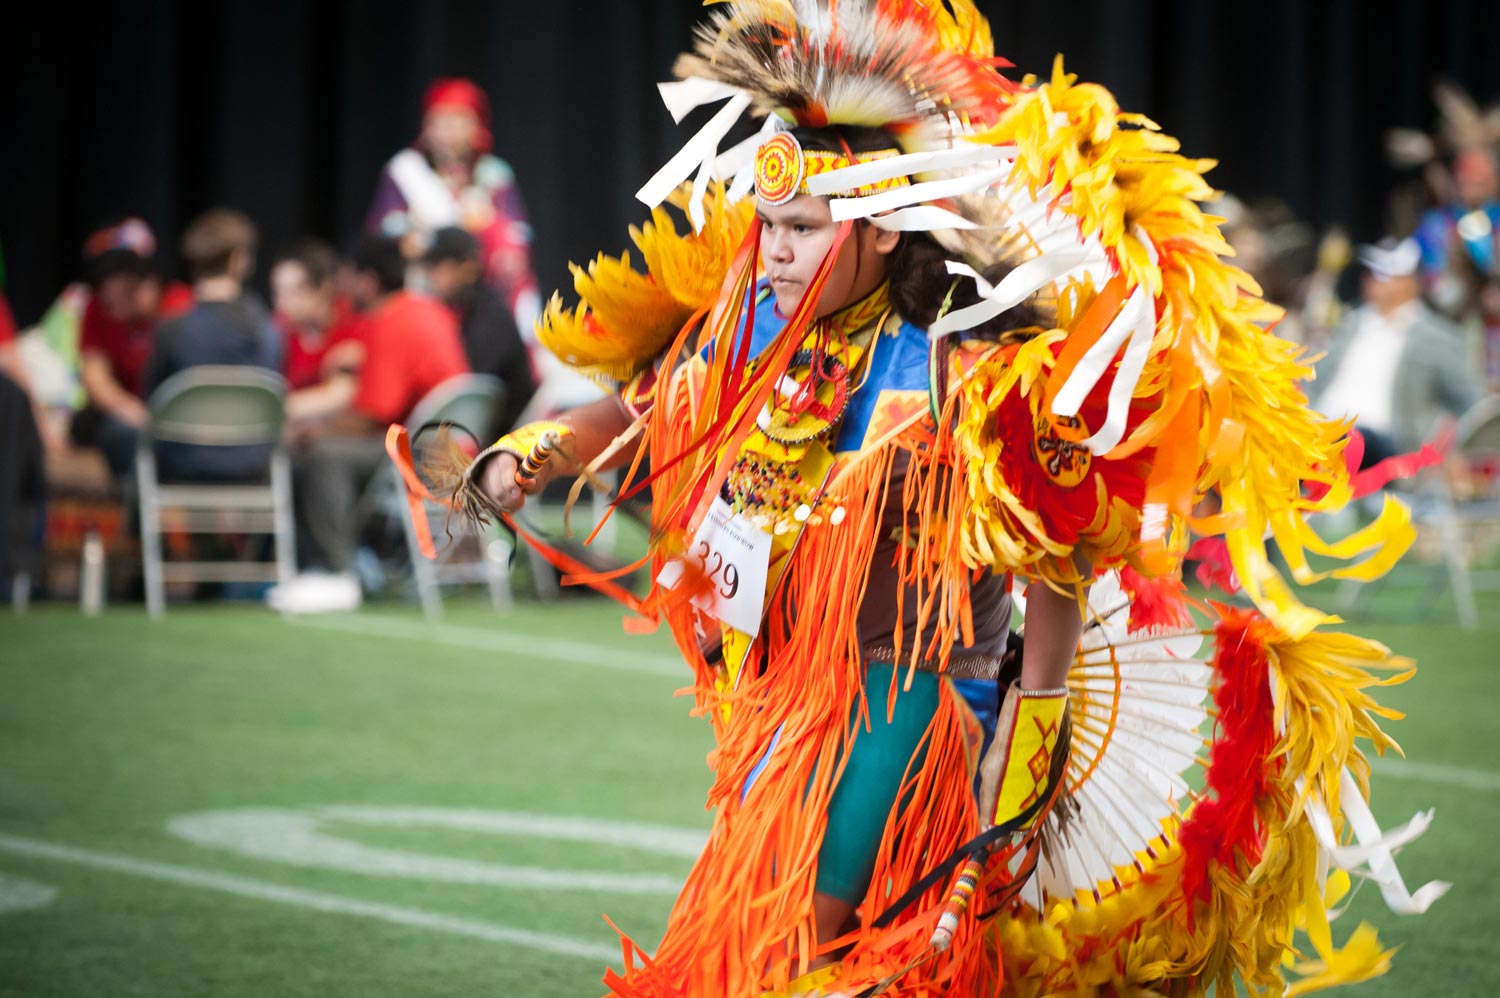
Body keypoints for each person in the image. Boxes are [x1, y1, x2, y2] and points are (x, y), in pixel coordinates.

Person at [435, 3, 1440, 995]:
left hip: (920, 706)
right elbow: (642, 402)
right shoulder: (756, 326)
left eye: (798, 230)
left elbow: (1057, 558)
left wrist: (1028, 748)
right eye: (768, 227)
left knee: (811, 943)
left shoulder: (968, 364)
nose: (772, 252)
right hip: (785, 702)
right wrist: (529, 454)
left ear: (877, 233)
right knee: (767, 945)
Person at [272, 234, 469, 613]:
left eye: (349, 279)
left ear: (367, 280)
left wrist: (317, 430)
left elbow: (373, 414)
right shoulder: (429, 309)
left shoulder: (391, 319)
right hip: (452, 448)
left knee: (325, 454)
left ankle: (333, 572)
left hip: (428, 458)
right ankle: (344, 564)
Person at [367, 77, 540, 330]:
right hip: (422, 281)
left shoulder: (494, 175)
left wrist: (490, 225)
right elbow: (382, 231)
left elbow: (518, 234)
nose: (450, 131)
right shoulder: (405, 172)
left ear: (477, 126)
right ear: (427, 126)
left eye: (459, 121)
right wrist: (414, 235)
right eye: (442, 121)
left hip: (481, 289)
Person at [141, 208, 284, 482]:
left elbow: (152, 402)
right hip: (252, 464)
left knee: (117, 435)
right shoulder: (269, 330)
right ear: (238, 260)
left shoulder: (172, 330)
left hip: (183, 463)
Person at [1315, 237, 1482, 466]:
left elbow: (1473, 403)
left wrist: (1456, 456)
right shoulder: (1349, 323)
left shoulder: (1436, 336)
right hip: (1319, 431)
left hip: (1384, 446)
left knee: (1351, 440)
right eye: (1371, 271)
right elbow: (1312, 380)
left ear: (1411, 281)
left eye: (1384, 273)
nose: (1372, 280)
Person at [71, 218, 193, 477]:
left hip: (177, 417)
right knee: (108, 432)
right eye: (105, 279)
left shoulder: (179, 306)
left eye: (126, 279)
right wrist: (139, 417)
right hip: (130, 415)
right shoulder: (98, 308)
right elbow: (96, 377)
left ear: (151, 279)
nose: (111, 291)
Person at [421, 226, 535, 437]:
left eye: (437, 266)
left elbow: (467, 388)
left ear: (469, 267)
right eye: (427, 266)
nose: (430, 275)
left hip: (501, 441)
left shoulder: (492, 318)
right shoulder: (460, 312)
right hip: (474, 436)